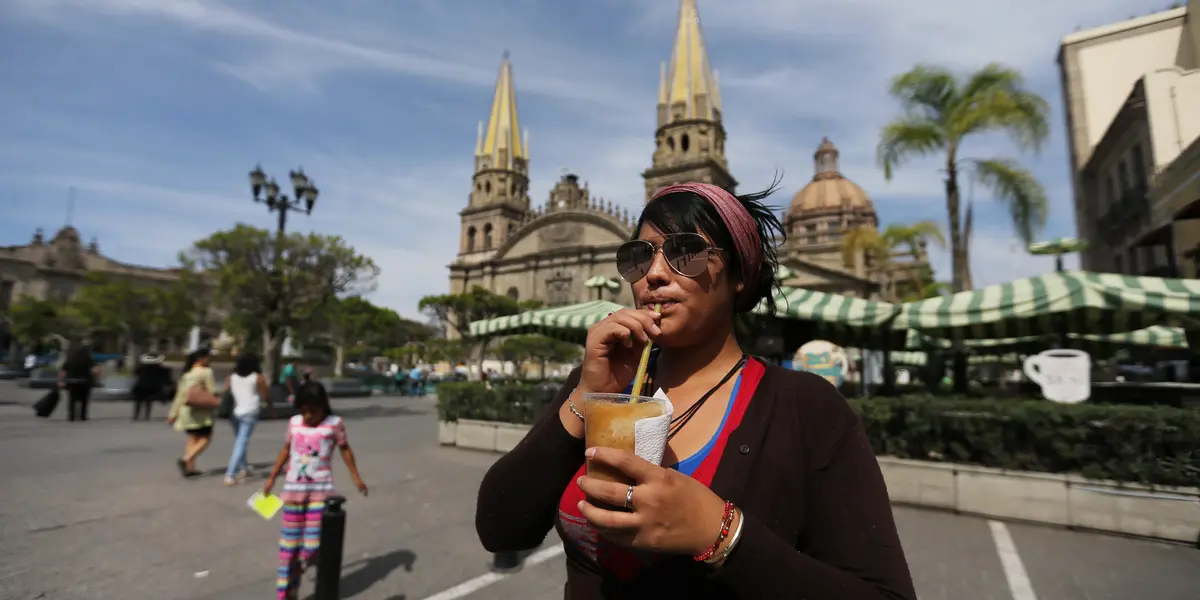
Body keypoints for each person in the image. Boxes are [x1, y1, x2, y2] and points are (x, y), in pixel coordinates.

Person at [474, 182, 916, 599]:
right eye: (638, 258)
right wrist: (585, 395)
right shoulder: (600, 388)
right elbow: (500, 529)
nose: (655, 275)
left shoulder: (807, 408)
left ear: (740, 274)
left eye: (686, 252)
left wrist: (721, 535)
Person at [264, 382, 368, 600]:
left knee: (312, 545)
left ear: (323, 406)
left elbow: (345, 449)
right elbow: (285, 450)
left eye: (314, 410)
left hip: (320, 492)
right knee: (288, 549)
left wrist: (356, 477)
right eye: (304, 411)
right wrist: (272, 478)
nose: (308, 416)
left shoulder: (334, 424)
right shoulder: (294, 423)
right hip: (292, 492)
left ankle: (301, 565)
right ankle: (286, 593)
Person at [223, 353, 274, 486]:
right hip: (250, 411)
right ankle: (230, 474)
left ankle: (244, 467)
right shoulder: (257, 378)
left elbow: (225, 391)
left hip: (235, 412)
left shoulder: (231, 377)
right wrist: (271, 408)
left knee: (240, 441)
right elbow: (265, 395)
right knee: (241, 442)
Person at [168, 348, 218, 478]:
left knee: (192, 439)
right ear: (201, 358)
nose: (209, 360)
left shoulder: (186, 374)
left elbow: (179, 396)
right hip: (200, 411)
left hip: (186, 411)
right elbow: (212, 390)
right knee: (206, 438)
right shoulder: (206, 372)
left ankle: (190, 468)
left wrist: (172, 414)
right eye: (208, 357)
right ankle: (186, 459)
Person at [58, 344, 99, 422]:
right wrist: (95, 377)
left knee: (71, 399)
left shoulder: (70, 359)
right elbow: (95, 370)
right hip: (85, 381)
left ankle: (71, 416)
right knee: (84, 399)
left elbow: (63, 371)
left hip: (71, 381)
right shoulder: (88, 359)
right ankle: (83, 416)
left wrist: (60, 381)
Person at [131, 353, 172, 421]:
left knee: (138, 402)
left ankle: (136, 415)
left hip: (140, 386)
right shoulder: (159, 368)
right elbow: (165, 377)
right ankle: (146, 416)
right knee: (148, 402)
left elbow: (135, 373)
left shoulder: (142, 367)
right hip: (152, 387)